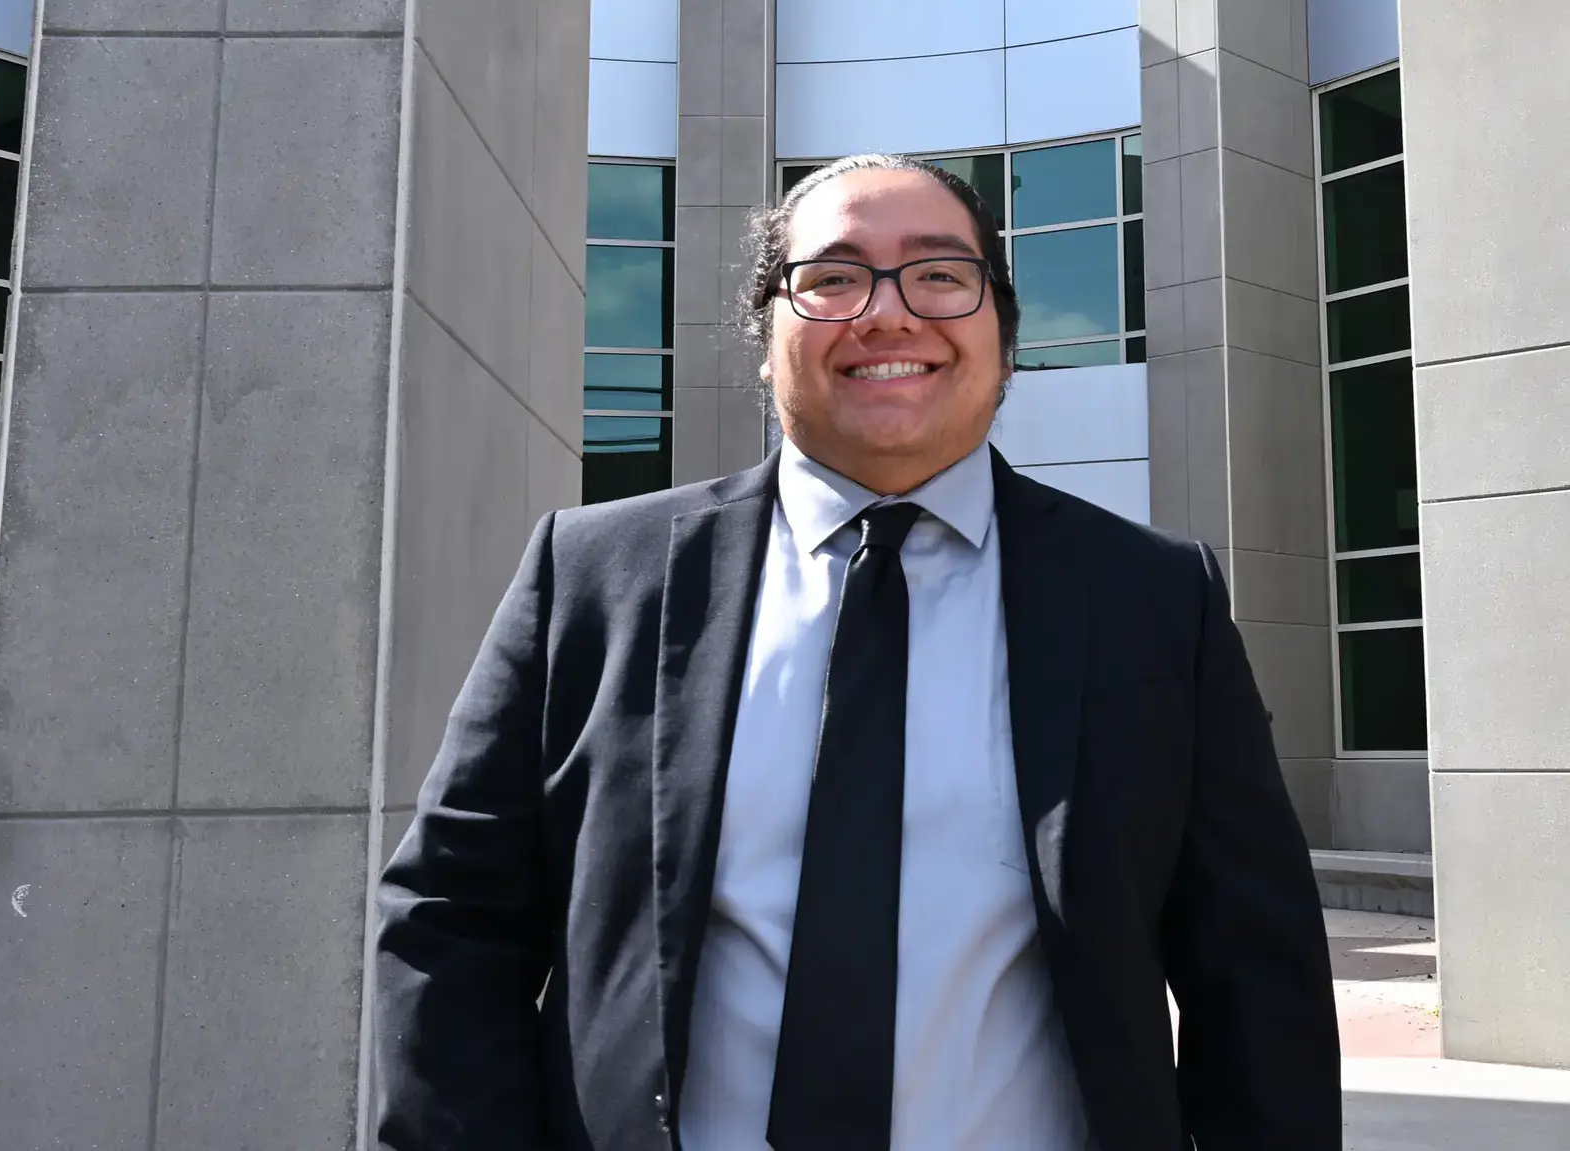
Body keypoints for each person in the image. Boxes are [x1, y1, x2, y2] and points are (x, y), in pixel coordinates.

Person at [370, 153, 1340, 1150]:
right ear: (764, 334)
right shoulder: (592, 576)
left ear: (1000, 331)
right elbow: (452, 917)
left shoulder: (1153, 602)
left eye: (939, 275)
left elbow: (1255, 976)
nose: (886, 313)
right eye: (832, 277)